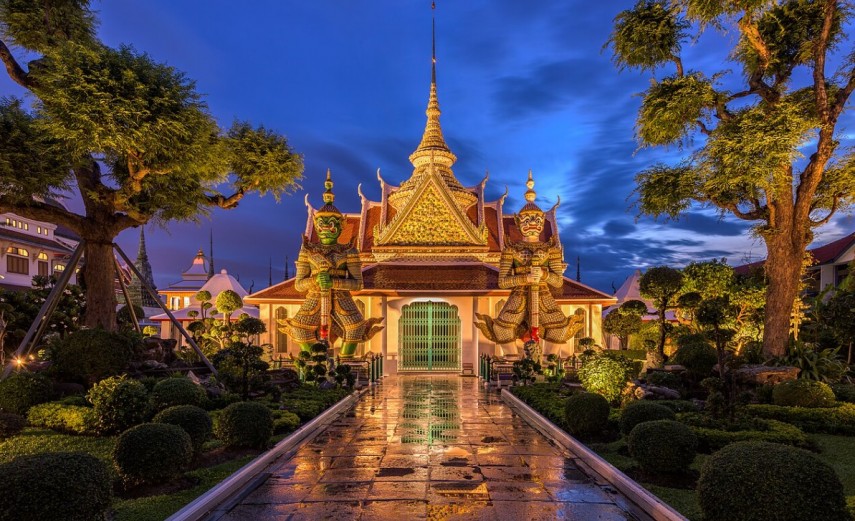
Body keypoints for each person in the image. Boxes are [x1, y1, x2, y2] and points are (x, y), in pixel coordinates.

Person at [282, 170, 383, 356]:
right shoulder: (308, 250)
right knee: (300, 329)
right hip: (314, 297)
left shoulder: (348, 251)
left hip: (342, 298)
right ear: (316, 224)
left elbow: (358, 284)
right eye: (322, 224)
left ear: (341, 227)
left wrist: (334, 283)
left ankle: (346, 363)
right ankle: (314, 362)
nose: (326, 229)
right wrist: (316, 281)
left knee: (355, 328)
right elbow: (298, 284)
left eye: (332, 225)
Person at [475, 171, 578, 345]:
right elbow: (503, 282)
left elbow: (558, 282)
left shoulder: (550, 249)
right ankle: (512, 364)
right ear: (518, 222)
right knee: (502, 331)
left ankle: (549, 364)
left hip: (543, 296)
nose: (532, 224)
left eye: (536, 220)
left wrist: (543, 276)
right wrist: (526, 278)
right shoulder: (512, 250)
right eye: (527, 220)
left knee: (559, 331)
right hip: (519, 296)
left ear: (542, 222)